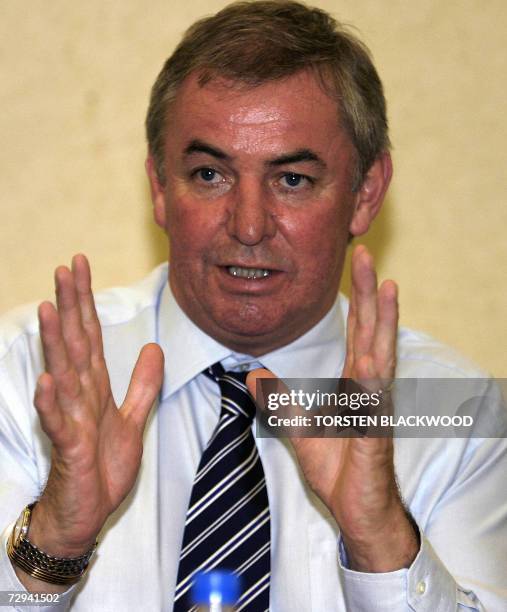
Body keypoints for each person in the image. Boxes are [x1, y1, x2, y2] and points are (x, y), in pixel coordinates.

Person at [0, 1, 505, 610]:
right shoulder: (26, 374)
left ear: (365, 194)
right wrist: (55, 539)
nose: (247, 225)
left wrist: (381, 544)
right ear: (160, 187)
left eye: (291, 180)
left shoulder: (460, 414)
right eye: (210, 174)